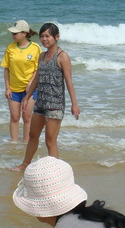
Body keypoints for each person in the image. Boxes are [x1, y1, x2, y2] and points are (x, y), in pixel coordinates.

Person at [13, 23, 80, 171]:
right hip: (41, 102)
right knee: (33, 135)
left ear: (56, 37)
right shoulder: (42, 56)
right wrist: (27, 97)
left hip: (55, 104)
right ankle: (25, 164)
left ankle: (55, 171)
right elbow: (37, 78)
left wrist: (74, 104)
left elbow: (69, 81)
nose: (44, 39)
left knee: (50, 140)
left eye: (47, 36)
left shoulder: (62, 57)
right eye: (42, 36)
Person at [0, 20, 41, 142]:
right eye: (12, 33)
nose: (13, 35)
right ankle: (14, 143)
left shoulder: (35, 48)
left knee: (27, 117)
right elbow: (6, 69)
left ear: (24, 33)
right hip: (13, 89)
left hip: (30, 90)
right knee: (14, 117)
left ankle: (26, 144)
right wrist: (7, 88)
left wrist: (31, 84)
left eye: (15, 33)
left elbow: (37, 69)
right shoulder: (10, 48)